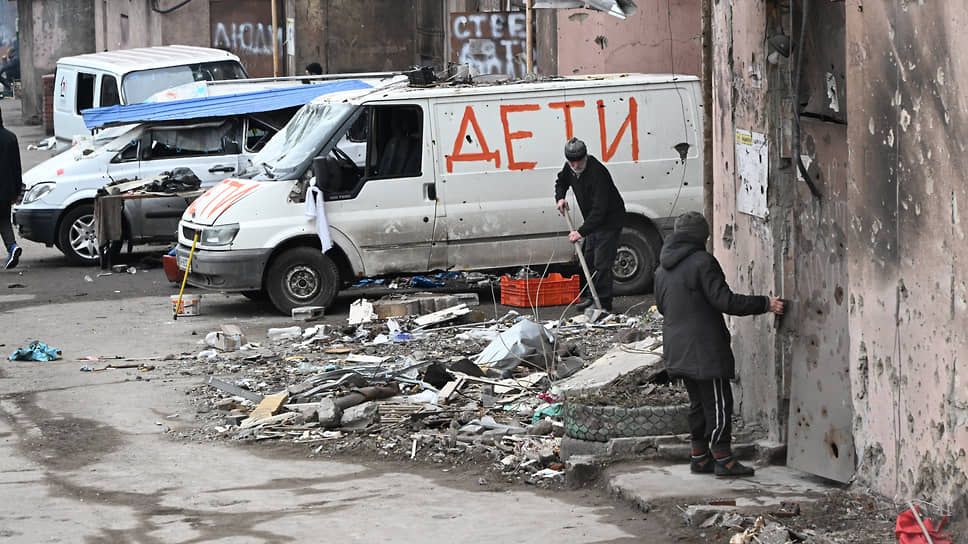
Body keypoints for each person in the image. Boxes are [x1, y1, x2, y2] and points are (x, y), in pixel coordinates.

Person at [654, 211, 785, 477]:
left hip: (676, 348)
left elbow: (663, 308)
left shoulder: (661, 269)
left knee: (698, 405)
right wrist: (765, 303)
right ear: (701, 236)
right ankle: (723, 460)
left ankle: (699, 457)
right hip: (704, 348)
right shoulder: (703, 262)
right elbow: (725, 301)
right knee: (719, 403)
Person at [554, 137, 625, 312]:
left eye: (579, 161)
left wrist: (581, 232)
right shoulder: (569, 168)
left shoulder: (598, 173)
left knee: (602, 263)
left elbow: (600, 210)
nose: (576, 165)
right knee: (589, 259)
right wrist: (560, 197)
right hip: (592, 222)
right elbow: (561, 181)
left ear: (585, 156)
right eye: (572, 162)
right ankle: (591, 296)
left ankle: (604, 304)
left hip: (609, 221)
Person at [0, 109, 22, 269]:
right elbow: (16, 168)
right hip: (6, 191)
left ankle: (12, 248)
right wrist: (17, 191)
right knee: (4, 220)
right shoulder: (10, 138)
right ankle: (12, 247)